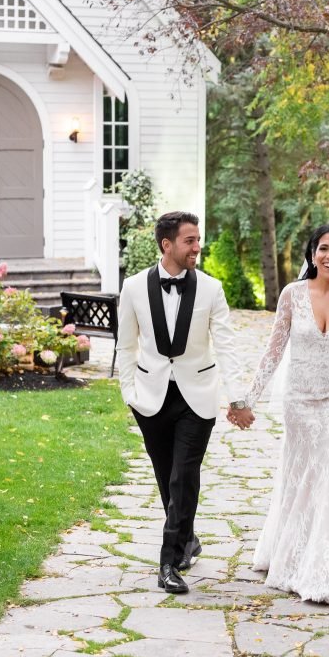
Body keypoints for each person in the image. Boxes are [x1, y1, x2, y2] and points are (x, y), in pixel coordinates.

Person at [236, 224, 329, 604]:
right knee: (302, 477)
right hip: (299, 401)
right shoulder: (292, 295)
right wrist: (248, 399)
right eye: (323, 248)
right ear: (312, 253)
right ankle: (293, 555)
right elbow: (273, 351)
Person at [116, 211, 254, 594]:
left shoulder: (211, 289)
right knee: (167, 478)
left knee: (183, 477)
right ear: (167, 244)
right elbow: (125, 346)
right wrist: (129, 393)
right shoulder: (133, 287)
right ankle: (187, 538)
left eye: (198, 240)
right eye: (190, 241)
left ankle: (169, 563)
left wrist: (237, 397)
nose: (197, 247)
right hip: (150, 398)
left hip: (197, 397)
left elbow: (227, 346)